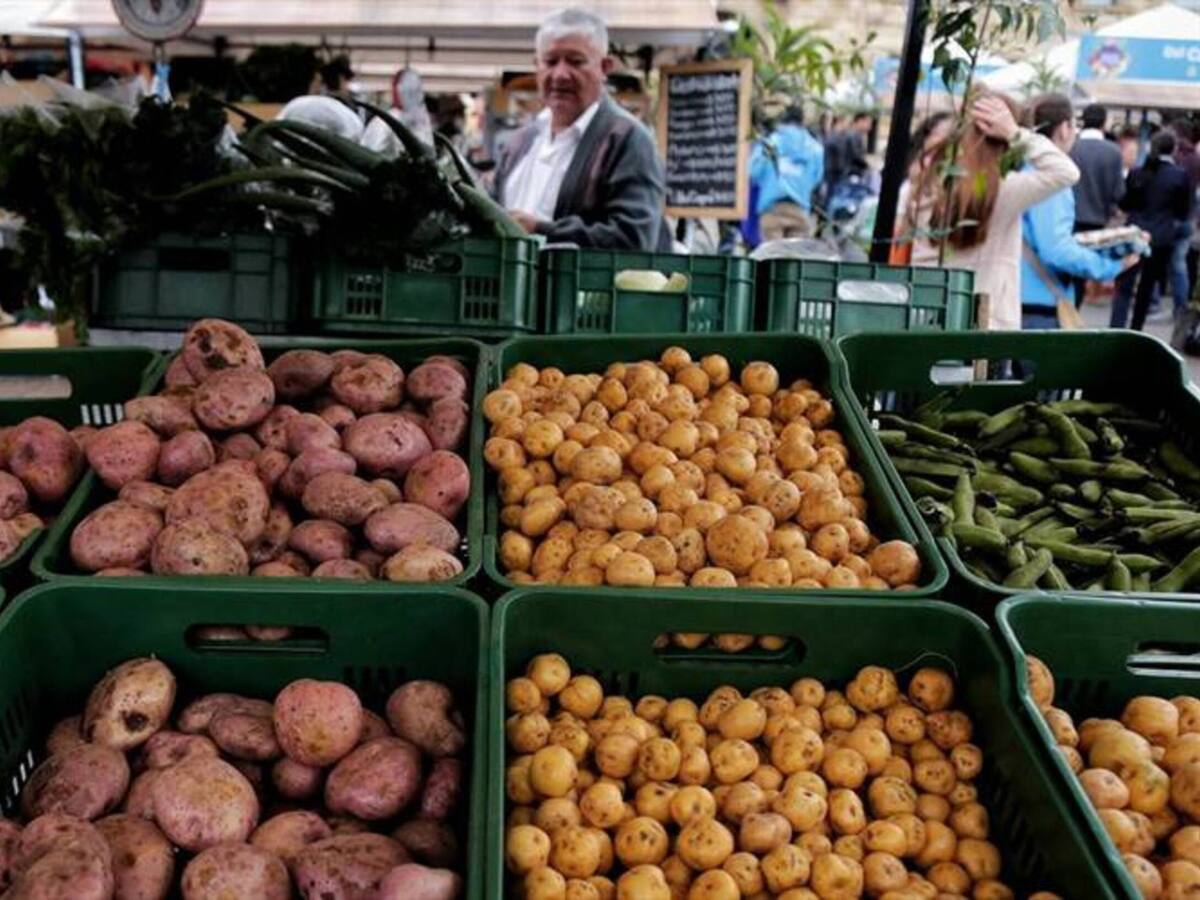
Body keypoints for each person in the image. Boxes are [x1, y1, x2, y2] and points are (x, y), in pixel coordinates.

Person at [898, 92, 1079, 330]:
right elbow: (1066, 172)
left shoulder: (928, 185)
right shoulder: (1004, 191)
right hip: (988, 326)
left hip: (927, 317)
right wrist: (1015, 132)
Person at [492, 7, 668, 250]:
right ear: (537, 66)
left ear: (605, 68)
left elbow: (633, 238)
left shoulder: (627, 140)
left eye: (576, 62)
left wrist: (541, 230)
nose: (561, 74)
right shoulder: (519, 144)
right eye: (551, 61)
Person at [1019, 95, 1137, 329]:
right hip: (1038, 303)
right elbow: (1056, 250)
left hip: (1012, 294)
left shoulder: (1020, 168)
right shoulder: (1051, 179)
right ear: (1064, 128)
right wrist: (1111, 267)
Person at [1112, 131, 1195, 330]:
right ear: (1174, 149)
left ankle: (1116, 326)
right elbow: (1183, 211)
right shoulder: (1179, 176)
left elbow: (1125, 203)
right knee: (1147, 286)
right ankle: (1136, 329)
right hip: (1161, 235)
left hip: (1133, 231)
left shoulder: (1137, 172)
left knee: (1124, 284)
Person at [1069, 103, 1125, 306]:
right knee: (1085, 267)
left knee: (1066, 266)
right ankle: (1076, 307)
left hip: (1067, 216)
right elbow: (1119, 192)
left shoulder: (1070, 147)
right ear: (1103, 123)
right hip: (1097, 219)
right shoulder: (1113, 152)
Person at [749, 105, 825, 241]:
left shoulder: (770, 142)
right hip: (800, 209)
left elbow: (753, 172)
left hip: (772, 209)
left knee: (770, 258)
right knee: (794, 259)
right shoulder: (815, 148)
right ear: (802, 121)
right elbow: (817, 178)